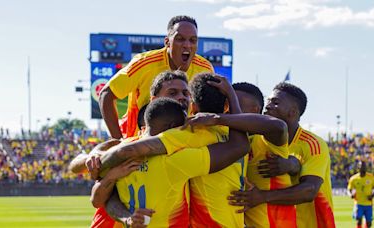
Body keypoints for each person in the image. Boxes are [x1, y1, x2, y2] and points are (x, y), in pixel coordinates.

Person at [98, 96, 249, 227]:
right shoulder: (175, 161)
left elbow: (100, 199)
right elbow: (239, 147)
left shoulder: (117, 156)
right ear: (172, 128)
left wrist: (127, 217)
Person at [69, 70, 192, 227]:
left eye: (185, 93)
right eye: (173, 92)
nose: (181, 97)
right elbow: (95, 192)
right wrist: (95, 158)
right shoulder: (130, 140)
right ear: (154, 101)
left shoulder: (199, 134)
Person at [228, 82, 336, 228]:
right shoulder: (253, 141)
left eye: (275, 102)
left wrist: (262, 197)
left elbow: (309, 191)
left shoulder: (313, 144)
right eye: (268, 101)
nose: (268, 106)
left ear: (292, 112)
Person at [99, 15, 214, 139]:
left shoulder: (205, 70)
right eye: (180, 39)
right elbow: (106, 95)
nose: (187, 45)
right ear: (167, 42)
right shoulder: (144, 63)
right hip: (139, 144)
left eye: (193, 40)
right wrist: (118, 141)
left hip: (182, 143)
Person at [233, 82, 298, 227]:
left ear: (255, 110)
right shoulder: (236, 141)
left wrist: (294, 164)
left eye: (235, 101)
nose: (230, 107)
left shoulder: (266, 139)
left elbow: (279, 127)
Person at [348, 161, 374, 228]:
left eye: (364, 166)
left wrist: (372, 195)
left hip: (368, 204)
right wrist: (350, 194)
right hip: (358, 203)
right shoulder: (354, 179)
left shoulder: (371, 177)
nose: (363, 168)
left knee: (369, 223)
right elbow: (349, 189)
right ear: (358, 167)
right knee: (359, 220)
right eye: (361, 166)